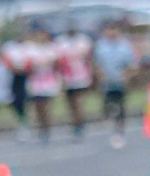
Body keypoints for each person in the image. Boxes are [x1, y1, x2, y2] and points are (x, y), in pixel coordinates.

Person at [93, 20, 138, 148]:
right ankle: (108, 119)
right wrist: (100, 76)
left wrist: (127, 76)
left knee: (120, 107)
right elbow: (96, 63)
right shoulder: (101, 46)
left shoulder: (125, 46)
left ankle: (119, 131)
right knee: (108, 104)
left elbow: (132, 64)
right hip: (107, 82)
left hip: (120, 82)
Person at [25, 25, 60, 142]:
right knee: (38, 106)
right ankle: (41, 126)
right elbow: (28, 64)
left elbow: (56, 63)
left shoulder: (52, 48)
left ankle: (47, 127)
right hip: (35, 82)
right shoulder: (30, 49)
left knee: (46, 106)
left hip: (49, 81)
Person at [57, 27, 93, 138]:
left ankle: (80, 123)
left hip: (81, 76)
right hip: (67, 77)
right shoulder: (60, 42)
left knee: (79, 101)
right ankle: (75, 123)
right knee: (71, 104)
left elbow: (89, 58)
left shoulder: (83, 40)